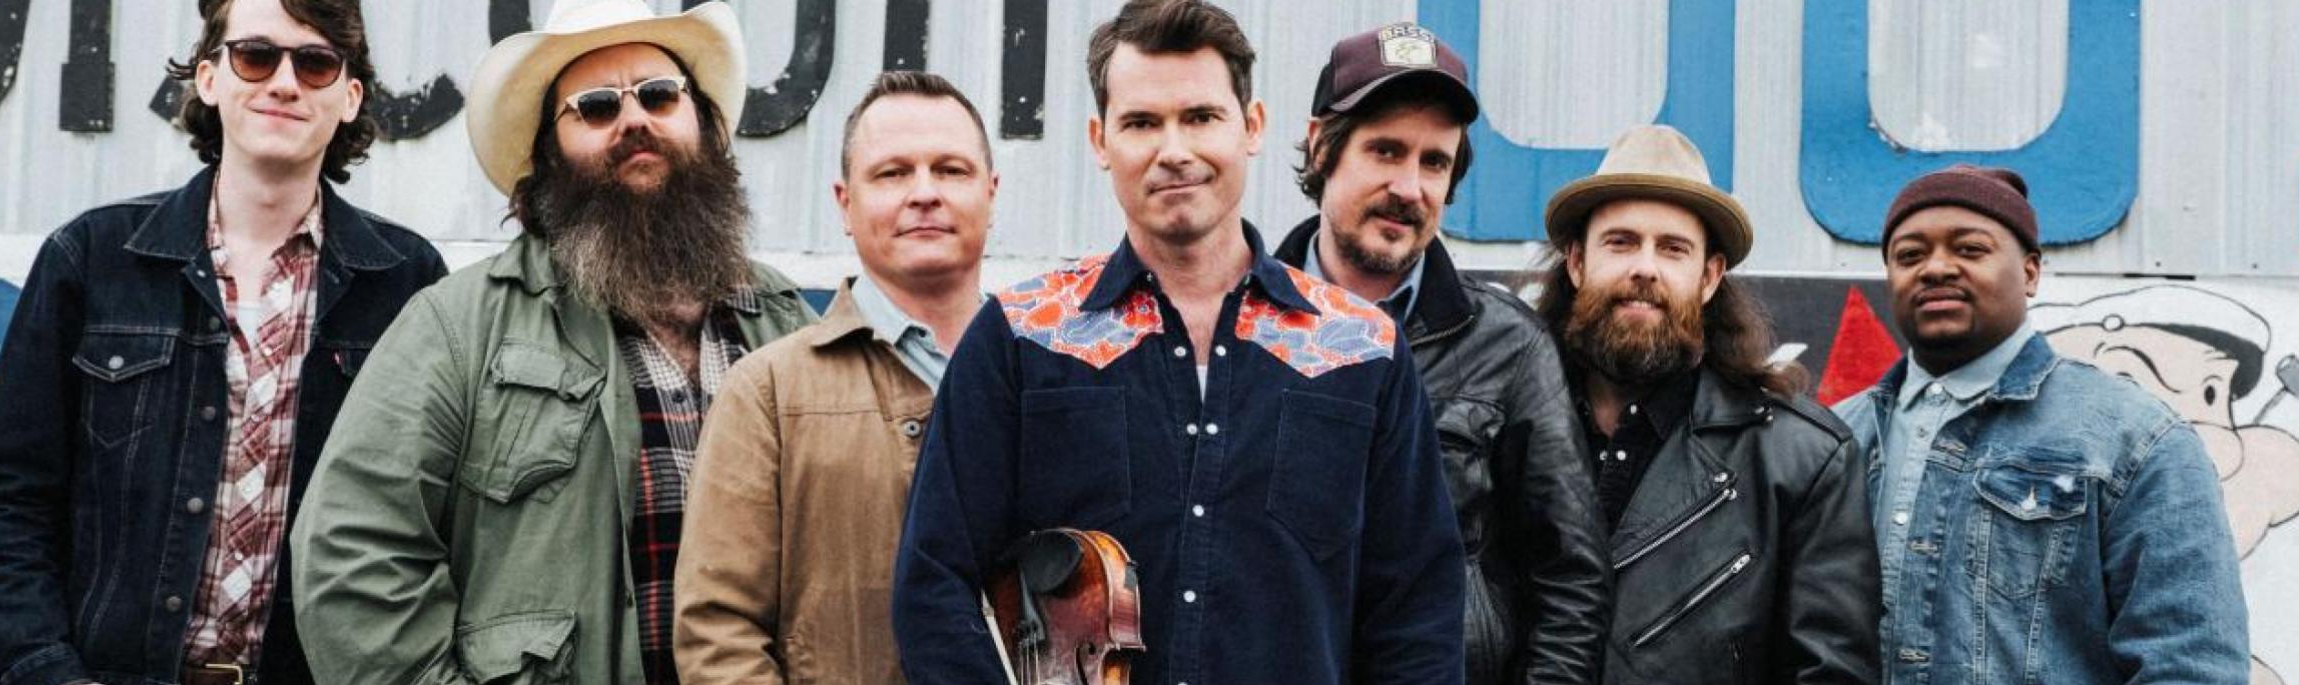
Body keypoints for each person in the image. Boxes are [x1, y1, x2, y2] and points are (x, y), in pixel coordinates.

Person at [890, 2, 1467, 683]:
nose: (1174, 150)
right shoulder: (1021, 336)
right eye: (1141, 123)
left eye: (1200, 117)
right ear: (1101, 140)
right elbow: (934, 584)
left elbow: (1416, 618)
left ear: (1250, 128)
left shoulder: (1362, 349)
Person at [288, 1, 816, 683]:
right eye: (595, 107)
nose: (634, 120)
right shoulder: (457, 326)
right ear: (548, 155)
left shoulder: (788, 324)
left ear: (706, 126)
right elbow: (349, 556)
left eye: (659, 95)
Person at [0, 1, 447, 683]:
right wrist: (44, 669)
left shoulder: (407, 282)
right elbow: (9, 499)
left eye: (315, 63)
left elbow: (435, 523)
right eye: (256, 55)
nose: (284, 81)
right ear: (209, 78)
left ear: (349, 97)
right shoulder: (91, 259)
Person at [1268, 21, 1608, 684]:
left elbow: (1571, 581)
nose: (1410, 186)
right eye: (1386, 151)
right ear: (1320, 148)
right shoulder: (1237, 322)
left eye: (1434, 162)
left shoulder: (1508, 347)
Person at [1833, 164, 2249, 683]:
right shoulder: (1832, 438)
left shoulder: (2133, 439)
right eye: (1909, 256)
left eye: (1970, 249)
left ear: (2030, 272)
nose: (1936, 268)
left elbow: (2189, 662)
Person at [672, 70, 997, 684]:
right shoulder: (767, 391)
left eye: (951, 170)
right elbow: (718, 635)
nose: (924, 192)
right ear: (846, 205)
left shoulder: (1048, 375)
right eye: (893, 173)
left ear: (991, 192)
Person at [1533, 125, 1880, 684]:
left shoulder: (1802, 460)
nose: (1644, 267)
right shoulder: (1500, 426)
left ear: (1710, 277)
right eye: (1620, 242)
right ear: (1576, 263)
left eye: (1673, 248)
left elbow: (1831, 673)